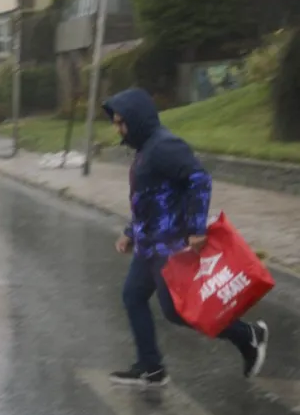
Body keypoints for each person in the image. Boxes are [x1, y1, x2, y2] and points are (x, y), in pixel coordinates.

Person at [103, 87, 268, 387]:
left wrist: (196, 228)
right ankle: (151, 367)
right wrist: (130, 233)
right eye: (115, 123)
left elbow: (198, 179)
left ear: (136, 119)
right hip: (149, 245)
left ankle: (248, 335)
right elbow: (148, 199)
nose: (117, 129)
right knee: (133, 296)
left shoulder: (165, 146)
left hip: (170, 247)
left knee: (178, 311)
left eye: (120, 122)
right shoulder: (146, 150)